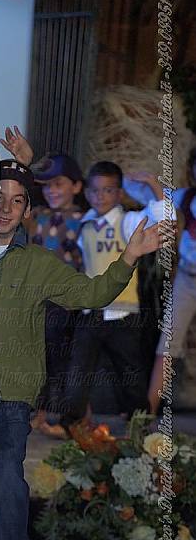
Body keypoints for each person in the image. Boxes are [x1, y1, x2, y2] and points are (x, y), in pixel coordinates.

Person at [0, 159, 166, 540]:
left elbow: (92, 294)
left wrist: (129, 256)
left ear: (28, 211)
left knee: (9, 479)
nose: (5, 208)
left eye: (17, 201)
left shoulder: (38, 264)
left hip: (11, 392)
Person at [51, 161, 175, 436]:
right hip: (91, 312)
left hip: (123, 314)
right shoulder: (84, 224)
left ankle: (139, 425)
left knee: (130, 374)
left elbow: (164, 219)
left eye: (108, 190)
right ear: (87, 193)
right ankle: (71, 424)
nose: (101, 196)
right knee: (78, 371)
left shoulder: (128, 222)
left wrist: (153, 184)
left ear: (119, 194)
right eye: (95, 191)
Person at [25, 153, 86, 436]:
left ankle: (60, 415)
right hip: (38, 299)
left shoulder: (84, 220)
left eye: (59, 184)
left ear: (77, 186)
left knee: (60, 358)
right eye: (47, 185)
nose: (52, 190)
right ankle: (38, 412)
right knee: (38, 355)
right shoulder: (38, 216)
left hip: (66, 301)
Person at [148, 148, 196, 413]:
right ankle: (147, 414)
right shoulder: (186, 197)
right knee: (168, 342)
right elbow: (157, 197)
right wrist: (149, 182)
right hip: (188, 278)